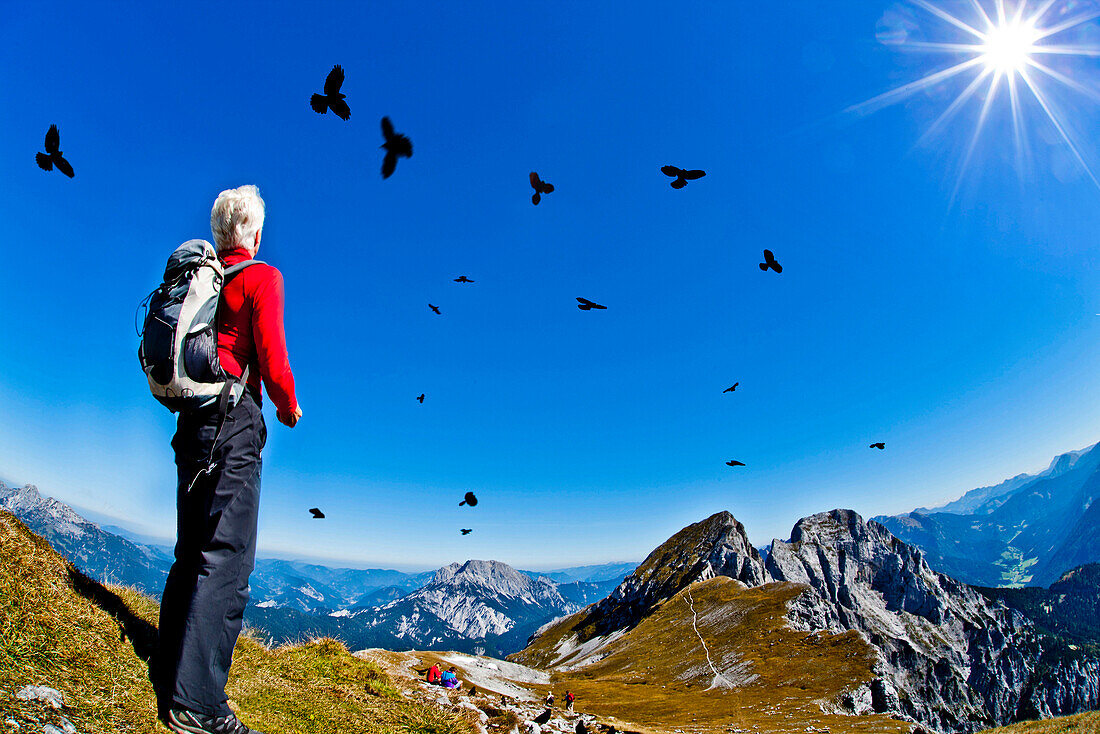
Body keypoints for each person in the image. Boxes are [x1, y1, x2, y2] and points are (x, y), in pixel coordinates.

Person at [156, 185, 301, 734]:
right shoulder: (263, 277)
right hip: (235, 425)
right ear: (256, 234)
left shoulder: (205, 284)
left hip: (191, 422)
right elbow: (273, 355)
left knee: (190, 549)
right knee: (229, 562)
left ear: (220, 234)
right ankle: (198, 706)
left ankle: (170, 669)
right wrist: (288, 407)